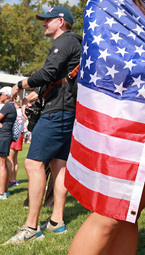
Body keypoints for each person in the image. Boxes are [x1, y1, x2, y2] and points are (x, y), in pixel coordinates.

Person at [65, 0, 145, 254]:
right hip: (124, 119)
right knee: (109, 215)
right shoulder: (106, 3)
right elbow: (104, 60)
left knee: (129, 214)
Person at [3, 6, 82, 244]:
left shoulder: (65, 41)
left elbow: (48, 73)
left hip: (57, 112)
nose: (43, 23)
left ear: (61, 21)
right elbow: (60, 78)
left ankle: (31, 228)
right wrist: (36, 95)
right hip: (67, 110)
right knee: (59, 165)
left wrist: (21, 83)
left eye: (47, 20)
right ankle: (57, 222)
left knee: (33, 162)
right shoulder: (74, 43)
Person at [0, 87, 17, 199]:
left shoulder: (7, 106)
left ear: (6, 95)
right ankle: (4, 190)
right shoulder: (11, 106)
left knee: (1, 164)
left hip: (3, 136)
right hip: (6, 136)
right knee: (4, 163)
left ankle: (2, 192)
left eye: (0, 94)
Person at [7, 99, 24, 187]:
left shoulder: (15, 112)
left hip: (14, 134)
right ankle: (13, 178)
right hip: (20, 135)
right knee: (15, 159)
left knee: (10, 158)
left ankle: (10, 179)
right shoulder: (21, 112)